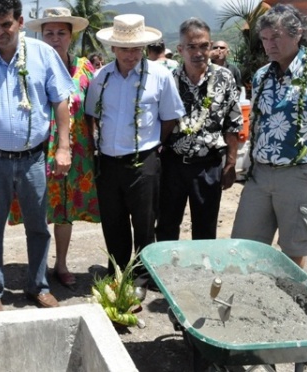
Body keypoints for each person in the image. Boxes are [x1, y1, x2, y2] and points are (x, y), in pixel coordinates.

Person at [0, 0, 73, 312]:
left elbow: (60, 101)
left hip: (34, 158)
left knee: (38, 227)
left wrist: (63, 146)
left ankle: (38, 287)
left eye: (6, 24)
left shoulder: (42, 54)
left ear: (20, 21)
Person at [5, 7, 100, 287]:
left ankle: (61, 264)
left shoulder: (85, 70)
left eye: (61, 33)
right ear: (41, 35)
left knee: (67, 211)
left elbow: (93, 112)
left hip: (77, 151)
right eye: (49, 33)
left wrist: (93, 148)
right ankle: (39, 266)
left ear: (71, 36)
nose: (55, 38)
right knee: (39, 209)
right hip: (37, 150)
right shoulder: (27, 66)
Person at [84, 14, 184, 277]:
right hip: (108, 163)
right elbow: (91, 115)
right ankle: (117, 273)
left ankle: (141, 275)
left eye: (136, 48)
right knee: (113, 222)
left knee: (144, 223)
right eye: (125, 49)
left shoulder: (160, 76)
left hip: (144, 162)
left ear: (144, 47)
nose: (130, 55)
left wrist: (152, 147)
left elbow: (170, 117)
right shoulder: (101, 78)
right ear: (113, 48)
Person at [231, 4, 307, 269]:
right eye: (264, 39)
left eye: (276, 37)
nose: (269, 44)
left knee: (293, 247)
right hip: (261, 174)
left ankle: (289, 301)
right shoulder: (262, 76)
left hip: (302, 173)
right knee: (245, 241)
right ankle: (251, 297)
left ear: (297, 35)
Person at [156, 18, 242, 242]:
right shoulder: (168, 80)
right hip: (172, 165)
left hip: (208, 166)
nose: (198, 53)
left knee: (205, 229)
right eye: (191, 47)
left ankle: (201, 273)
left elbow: (233, 123)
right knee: (166, 224)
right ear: (180, 49)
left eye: (204, 46)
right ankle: (165, 272)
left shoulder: (225, 78)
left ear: (211, 46)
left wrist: (231, 163)